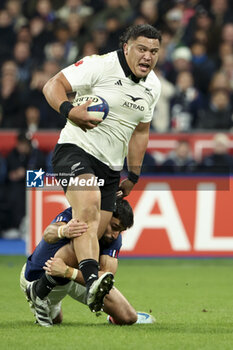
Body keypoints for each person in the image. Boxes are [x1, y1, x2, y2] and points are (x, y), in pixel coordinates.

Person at [42, 24, 162, 313]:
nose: (148, 57)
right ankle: (93, 279)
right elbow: (52, 85)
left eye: (154, 52)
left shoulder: (153, 86)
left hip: (111, 168)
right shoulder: (99, 65)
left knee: (91, 233)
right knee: (90, 201)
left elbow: (141, 132)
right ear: (126, 48)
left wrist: (133, 174)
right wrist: (69, 111)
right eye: (142, 49)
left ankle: (40, 286)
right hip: (75, 150)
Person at [20, 199, 155, 326]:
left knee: (128, 317)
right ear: (105, 215)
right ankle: (39, 293)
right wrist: (64, 230)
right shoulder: (78, 216)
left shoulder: (113, 238)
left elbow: (105, 276)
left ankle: (56, 304)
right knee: (80, 234)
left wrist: (69, 272)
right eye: (114, 227)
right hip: (40, 275)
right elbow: (48, 234)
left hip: (69, 273)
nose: (115, 235)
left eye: (120, 230)